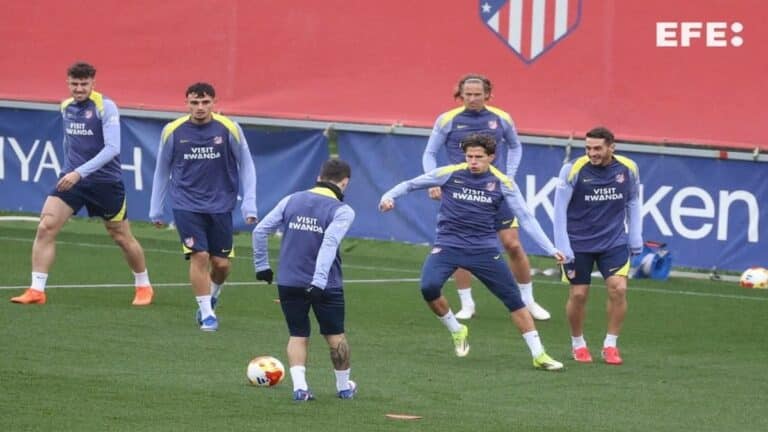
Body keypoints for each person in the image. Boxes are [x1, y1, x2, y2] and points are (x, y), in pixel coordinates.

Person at [381, 133, 565, 371]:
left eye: (479, 157)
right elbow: (410, 184)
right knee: (428, 287)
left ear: (491, 157)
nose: (474, 161)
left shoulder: (503, 183)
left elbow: (527, 218)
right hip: (448, 246)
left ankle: (539, 355)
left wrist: (550, 248)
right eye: (470, 156)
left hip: (484, 251)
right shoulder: (450, 173)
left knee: (514, 300)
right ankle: (457, 330)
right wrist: (388, 196)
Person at [10, 62, 154, 306]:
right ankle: (37, 290)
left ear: (92, 83)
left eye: (83, 84)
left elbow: (112, 149)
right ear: (68, 83)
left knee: (120, 235)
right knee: (46, 226)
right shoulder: (66, 107)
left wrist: (79, 172)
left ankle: (143, 285)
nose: (78, 89)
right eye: (74, 84)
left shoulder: (105, 107)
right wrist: (69, 171)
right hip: (73, 179)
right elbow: (70, 144)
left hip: (105, 182)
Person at [422, 73, 550, 321]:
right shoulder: (447, 120)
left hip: (495, 191)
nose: (471, 99)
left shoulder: (501, 118)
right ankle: (467, 303)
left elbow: (515, 146)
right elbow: (429, 153)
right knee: (460, 244)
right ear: (461, 95)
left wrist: (508, 176)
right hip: (461, 191)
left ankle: (529, 300)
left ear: (488, 95)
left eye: (477, 94)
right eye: (467, 94)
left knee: (512, 243)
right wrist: (433, 179)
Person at [149, 82, 257, 332]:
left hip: (221, 205)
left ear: (214, 103)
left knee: (221, 265)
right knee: (199, 256)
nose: (200, 107)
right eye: (194, 103)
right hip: (185, 204)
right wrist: (157, 208)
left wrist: (249, 204)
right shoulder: (173, 131)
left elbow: (247, 165)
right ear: (186, 103)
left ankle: (212, 295)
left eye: (205, 102)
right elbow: (162, 170)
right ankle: (207, 314)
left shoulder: (229, 128)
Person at [252, 159, 357, 401]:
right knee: (335, 335)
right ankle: (343, 388)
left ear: (319, 175)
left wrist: (262, 266)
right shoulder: (342, 210)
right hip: (326, 284)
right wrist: (319, 281)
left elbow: (260, 231)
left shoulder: (292, 199)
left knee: (298, 334)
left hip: (289, 279)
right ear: (345, 182)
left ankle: (300, 388)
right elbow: (329, 244)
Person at [553, 126, 642, 365]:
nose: (592, 153)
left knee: (619, 289)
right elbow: (559, 210)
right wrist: (562, 245)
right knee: (579, 294)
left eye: (597, 148)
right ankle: (578, 344)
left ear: (611, 147)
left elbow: (633, 200)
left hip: (613, 240)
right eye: (588, 148)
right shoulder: (573, 170)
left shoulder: (628, 168)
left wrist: (635, 236)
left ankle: (610, 345)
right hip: (578, 242)